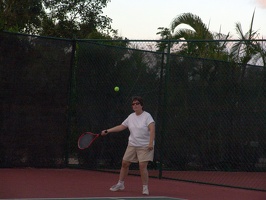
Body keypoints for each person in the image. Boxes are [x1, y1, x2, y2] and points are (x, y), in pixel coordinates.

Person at [101, 96, 155, 195]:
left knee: (142, 166)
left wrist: (151, 142)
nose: (135, 105)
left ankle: (145, 187)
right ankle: (120, 184)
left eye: (137, 103)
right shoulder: (131, 116)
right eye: (133, 104)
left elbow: (152, 129)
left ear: (141, 105)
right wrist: (108, 131)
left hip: (145, 145)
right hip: (132, 144)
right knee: (125, 163)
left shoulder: (147, 116)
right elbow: (121, 126)